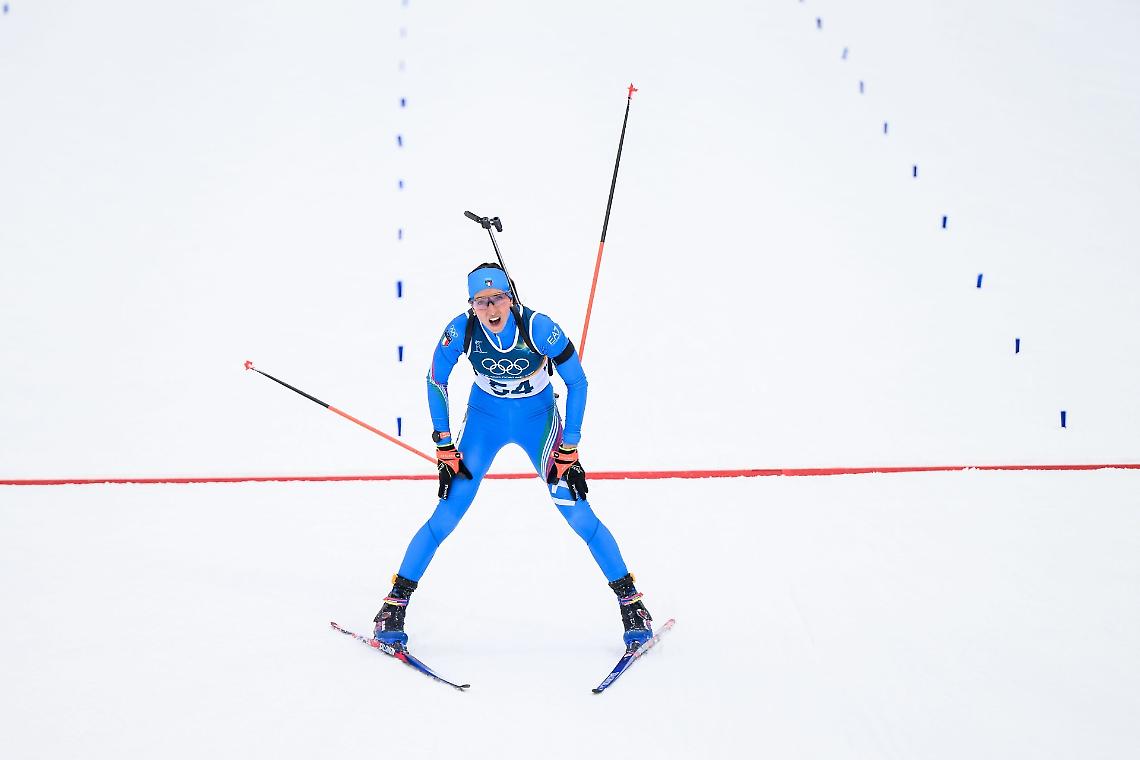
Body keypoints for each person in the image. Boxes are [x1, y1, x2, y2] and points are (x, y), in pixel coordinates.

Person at [372, 262, 653, 651]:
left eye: (498, 298)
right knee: (449, 511)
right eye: (481, 301)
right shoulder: (461, 330)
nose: (491, 309)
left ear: (511, 297)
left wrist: (570, 446)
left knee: (576, 510)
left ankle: (632, 605)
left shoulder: (538, 327)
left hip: (537, 419)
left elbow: (577, 382)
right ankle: (393, 607)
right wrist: (443, 443)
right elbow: (435, 378)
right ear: (471, 304)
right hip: (485, 419)